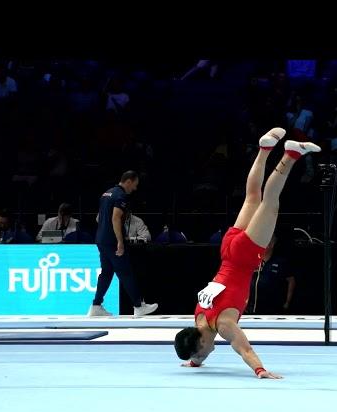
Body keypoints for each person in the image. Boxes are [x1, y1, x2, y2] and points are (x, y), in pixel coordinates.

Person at [174, 128, 320, 379]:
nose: (204, 355)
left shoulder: (224, 325)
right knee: (252, 198)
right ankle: (264, 150)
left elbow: (245, 349)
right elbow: (201, 341)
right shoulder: (198, 316)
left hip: (243, 256)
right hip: (227, 250)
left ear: (201, 344)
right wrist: (194, 363)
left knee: (270, 202)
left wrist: (260, 370)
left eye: (199, 355)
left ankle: (291, 155)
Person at [89, 170, 158, 317]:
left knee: (107, 272)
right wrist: (120, 241)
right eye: (135, 185)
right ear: (129, 181)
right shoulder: (121, 195)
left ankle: (96, 306)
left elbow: (98, 218)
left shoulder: (106, 193)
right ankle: (139, 306)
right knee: (126, 273)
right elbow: (115, 218)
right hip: (112, 241)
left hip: (101, 239)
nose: (135, 188)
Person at [246, 232, 296, 314]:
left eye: (269, 240)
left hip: (273, 310)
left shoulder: (281, 262)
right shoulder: (253, 260)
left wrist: (287, 302)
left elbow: (291, 281)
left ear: (273, 244)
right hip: (253, 309)